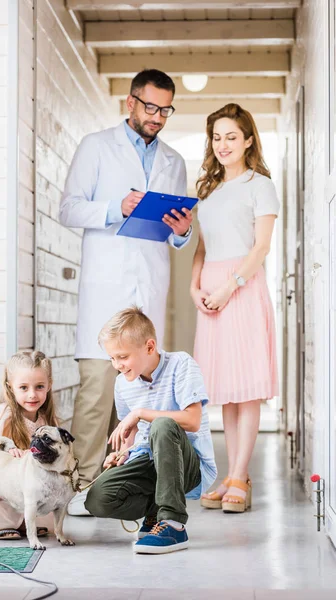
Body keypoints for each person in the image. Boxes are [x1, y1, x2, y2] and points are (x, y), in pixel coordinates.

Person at [59, 69, 193, 515]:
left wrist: (181, 232)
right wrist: (114, 208)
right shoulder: (97, 146)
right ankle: (79, 486)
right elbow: (69, 208)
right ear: (131, 103)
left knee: (138, 395)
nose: (157, 116)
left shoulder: (173, 160)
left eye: (166, 109)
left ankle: (119, 489)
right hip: (107, 285)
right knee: (98, 392)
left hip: (149, 286)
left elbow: (174, 233)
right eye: (150, 106)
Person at [191, 103, 280, 513]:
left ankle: (241, 476)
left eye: (232, 136)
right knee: (225, 392)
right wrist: (195, 287)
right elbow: (203, 246)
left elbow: (260, 247)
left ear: (247, 140)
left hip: (242, 290)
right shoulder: (208, 189)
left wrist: (231, 286)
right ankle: (231, 474)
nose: (223, 144)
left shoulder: (259, 184)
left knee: (247, 391)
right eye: (217, 137)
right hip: (211, 296)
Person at [85, 307, 217, 554]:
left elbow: (192, 420)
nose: (117, 366)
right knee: (97, 499)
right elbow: (131, 433)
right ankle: (155, 514)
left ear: (149, 347)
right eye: (112, 358)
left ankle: (174, 524)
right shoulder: (122, 383)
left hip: (187, 465)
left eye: (122, 357)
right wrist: (123, 454)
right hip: (148, 460)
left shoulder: (181, 364)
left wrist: (140, 412)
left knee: (163, 425)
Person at [0, 350, 58, 539]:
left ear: (49, 385)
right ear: (10, 387)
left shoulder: (44, 419)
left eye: (40, 386)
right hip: (3, 486)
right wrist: (8, 455)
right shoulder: (3, 415)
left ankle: (27, 523)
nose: (32, 395)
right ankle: (3, 523)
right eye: (24, 388)